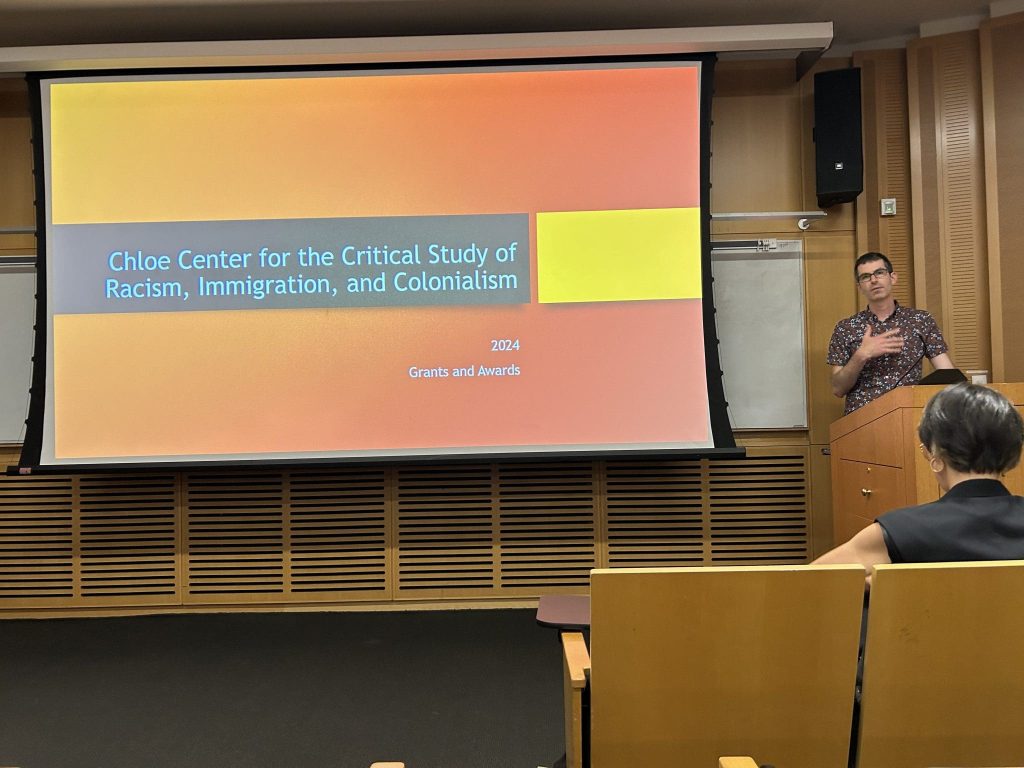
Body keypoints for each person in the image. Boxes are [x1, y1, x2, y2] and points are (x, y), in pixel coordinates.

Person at [814, 383, 1024, 575]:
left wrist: (879, 584)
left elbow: (806, 583)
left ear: (937, 457)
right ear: (1012, 453)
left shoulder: (900, 529)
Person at [828, 252, 955, 414]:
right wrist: (861, 355)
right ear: (860, 287)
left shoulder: (920, 320)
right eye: (866, 277)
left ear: (893, 278)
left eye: (879, 273)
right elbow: (838, 389)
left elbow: (947, 374)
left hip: (910, 415)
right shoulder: (845, 328)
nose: (874, 280)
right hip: (862, 421)